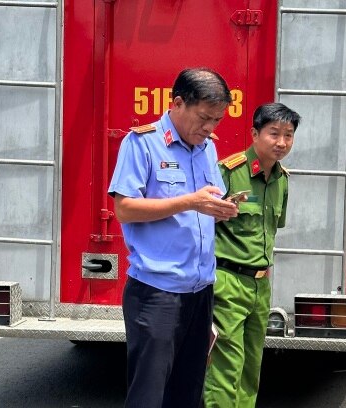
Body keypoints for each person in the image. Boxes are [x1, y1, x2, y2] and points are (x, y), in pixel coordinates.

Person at [108, 68, 239, 408]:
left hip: (199, 291)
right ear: (177, 103)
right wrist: (191, 201)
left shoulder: (206, 148)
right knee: (149, 396)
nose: (209, 128)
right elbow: (125, 208)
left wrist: (220, 209)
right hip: (157, 293)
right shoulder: (143, 143)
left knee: (188, 391)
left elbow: (203, 205)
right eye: (204, 118)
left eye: (217, 120)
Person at [204, 103, 301, 408]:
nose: (281, 142)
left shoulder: (282, 180)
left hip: (260, 285)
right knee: (226, 366)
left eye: (288, 135)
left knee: (251, 366)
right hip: (227, 281)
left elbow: (273, 229)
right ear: (255, 134)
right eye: (274, 133)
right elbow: (201, 223)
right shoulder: (228, 172)